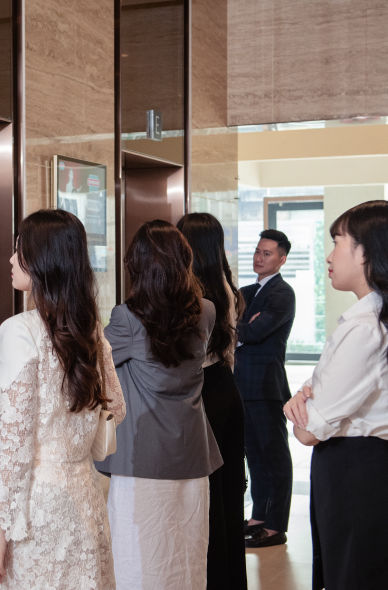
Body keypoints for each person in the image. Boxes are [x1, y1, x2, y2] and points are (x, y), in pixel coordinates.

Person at [285, 200, 388, 590]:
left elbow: (307, 431)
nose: (328, 255)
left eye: (338, 241)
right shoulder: (380, 318)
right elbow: (313, 401)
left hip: (355, 477)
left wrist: (303, 402)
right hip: (364, 473)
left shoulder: (366, 328)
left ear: (368, 252)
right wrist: (308, 398)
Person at [0, 209, 126, 589]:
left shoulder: (19, 331)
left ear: (44, 262)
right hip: (85, 495)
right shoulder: (88, 327)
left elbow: (13, 446)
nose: (11, 260)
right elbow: (117, 406)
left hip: (34, 508)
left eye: (20, 252)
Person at [94, 219, 222, 590]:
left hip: (143, 457)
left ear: (138, 265)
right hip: (193, 452)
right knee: (187, 552)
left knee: (138, 556)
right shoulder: (207, 310)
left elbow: (94, 366)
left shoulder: (128, 318)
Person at [177, 213, 247, 590]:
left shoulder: (191, 294)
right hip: (226, 389)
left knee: (203, 497)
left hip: (200, 392)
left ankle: (208, 577)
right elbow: (230, 352)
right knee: (227, 491)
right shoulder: (227, 287)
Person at [235, 229, 295, 548]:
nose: (259, 257)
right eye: (257, 251)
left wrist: (240, 327)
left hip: (264, 386)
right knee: (253, 456)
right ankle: (258, 517)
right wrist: (241, 327)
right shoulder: (246, 292)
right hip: (241, 384)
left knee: (274, 456)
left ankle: (275, 526)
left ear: (281, 259)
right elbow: (231, 327)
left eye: (267, 253)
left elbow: (255, 331)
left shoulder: (282, 294)